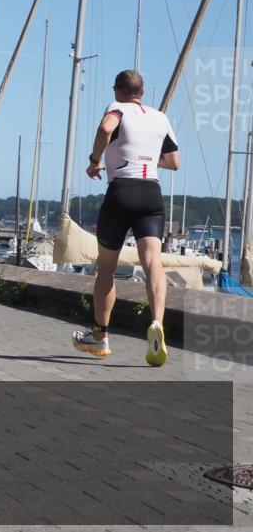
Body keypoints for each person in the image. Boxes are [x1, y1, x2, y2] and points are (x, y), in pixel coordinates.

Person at [74, 70, 180, 366]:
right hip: (151, 195)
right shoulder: (160, 117)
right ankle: (157, 322)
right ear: (142, 91)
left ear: (119, 90)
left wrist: (95, 161)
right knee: (152, 263)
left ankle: (100, 336)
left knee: (106, 269)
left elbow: (105, 128)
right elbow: (174, 162)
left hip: (121, 191)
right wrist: (146, 153)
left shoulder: (117, 108)